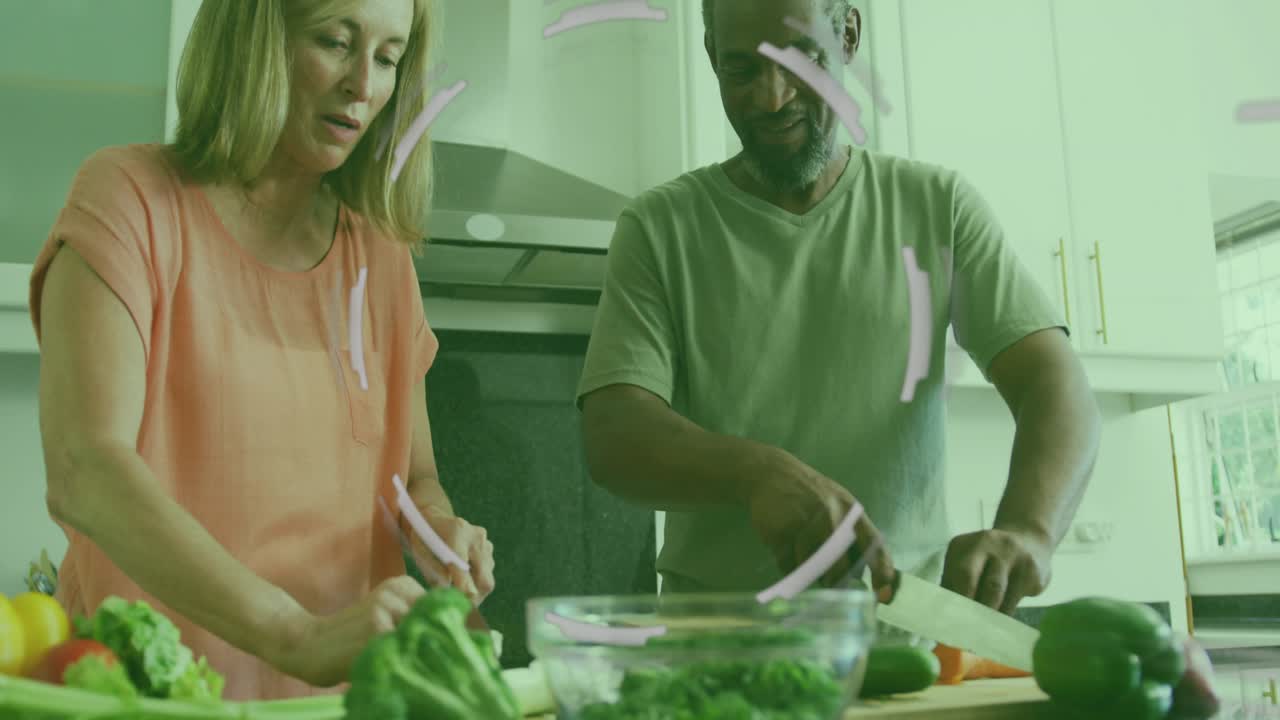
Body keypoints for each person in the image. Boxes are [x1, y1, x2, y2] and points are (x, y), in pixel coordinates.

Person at [577, 0, 1102, 625]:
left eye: (801, 59)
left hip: (905, 639)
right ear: (712, 57)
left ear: (848, 35)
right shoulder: (660, 228)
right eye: (742, 71)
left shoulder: (939, 208)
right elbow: (613, 435)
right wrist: (755, 473)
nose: (772, 100)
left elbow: (1054, 383)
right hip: (716, 646)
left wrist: (1029, 530)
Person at [31, 0, 494, 701]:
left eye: (389, 58)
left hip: (337, 701)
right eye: (336, 42)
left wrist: (438, 534)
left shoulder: (379, 255)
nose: (363, 84)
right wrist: (295, 635)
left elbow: (413, 476)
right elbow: (85, 469)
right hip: (153, 697)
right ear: (254, 41)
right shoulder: (132, 201)